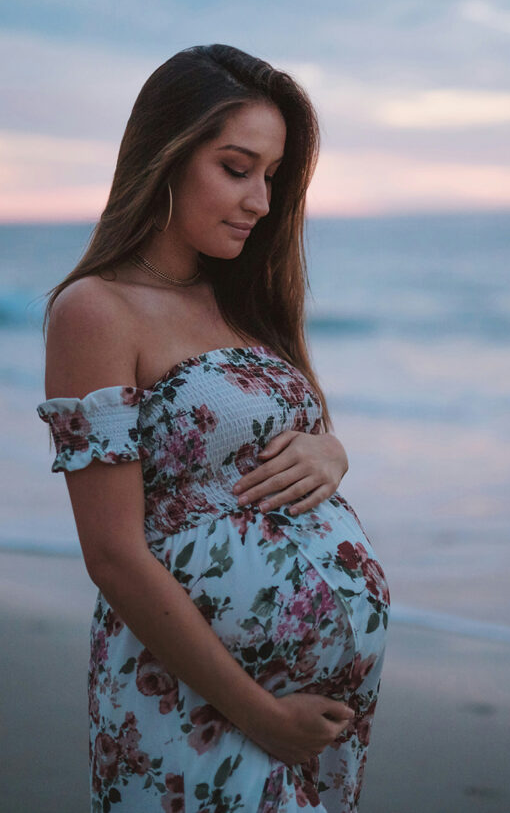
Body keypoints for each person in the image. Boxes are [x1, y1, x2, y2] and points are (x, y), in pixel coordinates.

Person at [38, 46, 387, 810]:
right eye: (237, 168)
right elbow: (112, 555)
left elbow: (290, 437)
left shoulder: (244, 302)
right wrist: (262, 716)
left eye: (271, 176)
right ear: (165, 156)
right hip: (193, 704)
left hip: (314, 717)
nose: (260, 200)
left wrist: (332, 450)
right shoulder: (97, 311)